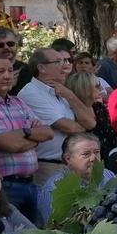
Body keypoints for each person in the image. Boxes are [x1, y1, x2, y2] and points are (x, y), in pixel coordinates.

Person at [20, 48, 97, 187]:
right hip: (49, 167)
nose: (65, 65)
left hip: (70, 165)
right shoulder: (31, 93)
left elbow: (91, 123)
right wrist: (81, 126)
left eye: (66, 61)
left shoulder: (61, 90)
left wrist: (70, 95)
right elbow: (70, 127)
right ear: (41, 68)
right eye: (58, 61)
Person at [0, 57, 53, 225]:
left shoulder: (18, 102)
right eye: (0, 71)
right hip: (5, 187)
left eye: (10, 71)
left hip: (30, 183)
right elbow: (10, 144)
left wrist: (23, 133)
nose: (7, 76)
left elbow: (47, 132)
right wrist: (33, 137)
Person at [36, 133, 115, 221]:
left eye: (96, 152)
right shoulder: (53, 188)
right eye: (86, 154)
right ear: (68, 159)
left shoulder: (108, 175)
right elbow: (54, 227)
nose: (94, 158)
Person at [65, 72, 117, 162]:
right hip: (88, 160)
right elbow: (91, 125)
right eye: (97, 86)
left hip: (110, 157)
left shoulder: (99, 107)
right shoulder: (71, 111)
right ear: (84, 88)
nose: (101, 88)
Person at [0, 27, 30, 95]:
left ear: (16, 45)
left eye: (10, 44)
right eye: (0, 45)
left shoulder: (27, 69)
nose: (6, 47)